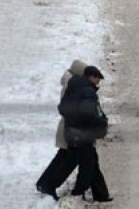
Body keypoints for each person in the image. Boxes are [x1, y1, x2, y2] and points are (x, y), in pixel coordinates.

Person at [36, 59, 89, 201]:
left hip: (67, 127)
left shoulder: (70, 84)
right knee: (68, 159)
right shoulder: (72, 86)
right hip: (70, 129)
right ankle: (49, 184)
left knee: (62, 156)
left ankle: (43, 182)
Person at [59, 66, 112, 203]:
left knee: (91, 162)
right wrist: (101, 123)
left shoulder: (74, 87)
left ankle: (101, 195)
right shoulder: (87, 91)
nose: (98, 83)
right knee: (88, 165)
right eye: (97, 79)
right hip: (82, 135)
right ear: (91, 77)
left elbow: (63, 108)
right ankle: (78, 193)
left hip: (73, 132)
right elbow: (88, 114)